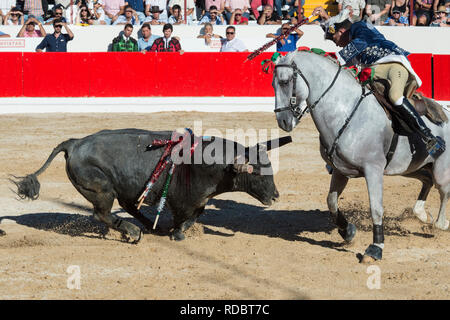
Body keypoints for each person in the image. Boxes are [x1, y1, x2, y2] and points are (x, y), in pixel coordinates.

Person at [322, 8, 446, 158]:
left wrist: (338, 57)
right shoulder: (353, 43)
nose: (336, 44)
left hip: (392, 65)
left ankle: (429, 137)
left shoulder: (358, 27)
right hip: (375, 73)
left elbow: (360, 42)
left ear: (341, 31)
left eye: (334, 39)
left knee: (395, 97)